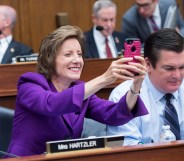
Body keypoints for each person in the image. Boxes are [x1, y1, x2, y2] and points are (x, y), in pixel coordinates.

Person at [6, 25, 148, 157]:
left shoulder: (80, 90)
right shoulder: (30, 83)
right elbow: (51, 104)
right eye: (68, 54)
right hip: (25, 159)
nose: (77, 60)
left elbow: (114, 114)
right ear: (50, 59)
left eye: (79, 54)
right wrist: (104, 79)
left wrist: (136, 85)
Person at [107, 28, 184, 145]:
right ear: (148, 64)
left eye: (182, 67)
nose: (177, 75)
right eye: (169, 68)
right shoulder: (122, 97)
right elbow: (125, 153)